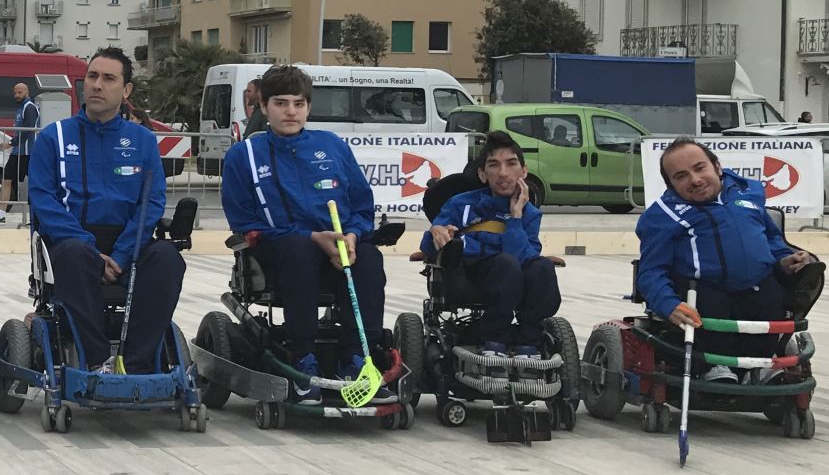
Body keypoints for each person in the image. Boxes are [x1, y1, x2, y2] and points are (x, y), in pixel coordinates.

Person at [219, 62, 383, 385]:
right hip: (279, 253)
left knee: (370, 256)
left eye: (299, 103)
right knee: (298, 249)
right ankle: (303, 355)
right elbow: (243, 221)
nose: (290, 112)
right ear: (263, 106)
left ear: (308, 107)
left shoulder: (333, 146)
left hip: (337, 249)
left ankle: (357, 356)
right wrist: (311, 237)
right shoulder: (244, 155)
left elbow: (363, 207)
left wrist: (351, 235)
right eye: (280, 103)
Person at [28, 48, 184, 372]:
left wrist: (124, 254)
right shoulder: (52, 138)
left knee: (169, 259)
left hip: (128, 242)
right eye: (92, 76)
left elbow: (151, 201)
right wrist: (89, 248)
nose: (97, 85)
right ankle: (98, 359)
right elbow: (43, 200)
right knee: (73, 255)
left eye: (108, 78)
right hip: (73, 241)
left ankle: (138, 365)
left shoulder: (142, 140)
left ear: (126, 91)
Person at [637, 138, 820, 381]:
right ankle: (712, 367)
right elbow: (650, 271)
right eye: (681, 176)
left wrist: (785, 259)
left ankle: (761, 365)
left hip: (758, 289)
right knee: (709, 298)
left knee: (771, 293)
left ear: (717, 166)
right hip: (703, 294)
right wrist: (668, 304)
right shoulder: (663, 215)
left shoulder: (748, 193)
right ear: (670, 185)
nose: (695, 179)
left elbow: (771, 240)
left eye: (700, 168)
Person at [421, 130, 561, 353]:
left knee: (541, 267)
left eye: (511, 164)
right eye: (494, 165)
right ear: (483, 174)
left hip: (513, 274)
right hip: (471, 273)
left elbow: (524, 257)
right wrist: (436, 231)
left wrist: (515, 217)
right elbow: (427, 246)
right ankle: (494, 337)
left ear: (523, 171)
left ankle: (528, 341)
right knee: (506, 264)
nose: (503, 173)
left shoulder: (529, 213)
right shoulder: (461, 204)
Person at [3, 80, 40, 210]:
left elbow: (27, 130)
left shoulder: (29, 107)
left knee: (35, 183)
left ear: (27, 92)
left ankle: (34, 213)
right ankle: (1, 213)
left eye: (20, 92)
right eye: (15, 93)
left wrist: (11, 142)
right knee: (7, 179)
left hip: (28, 153)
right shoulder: (20, 108)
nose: (17, 95)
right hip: (17, 153)